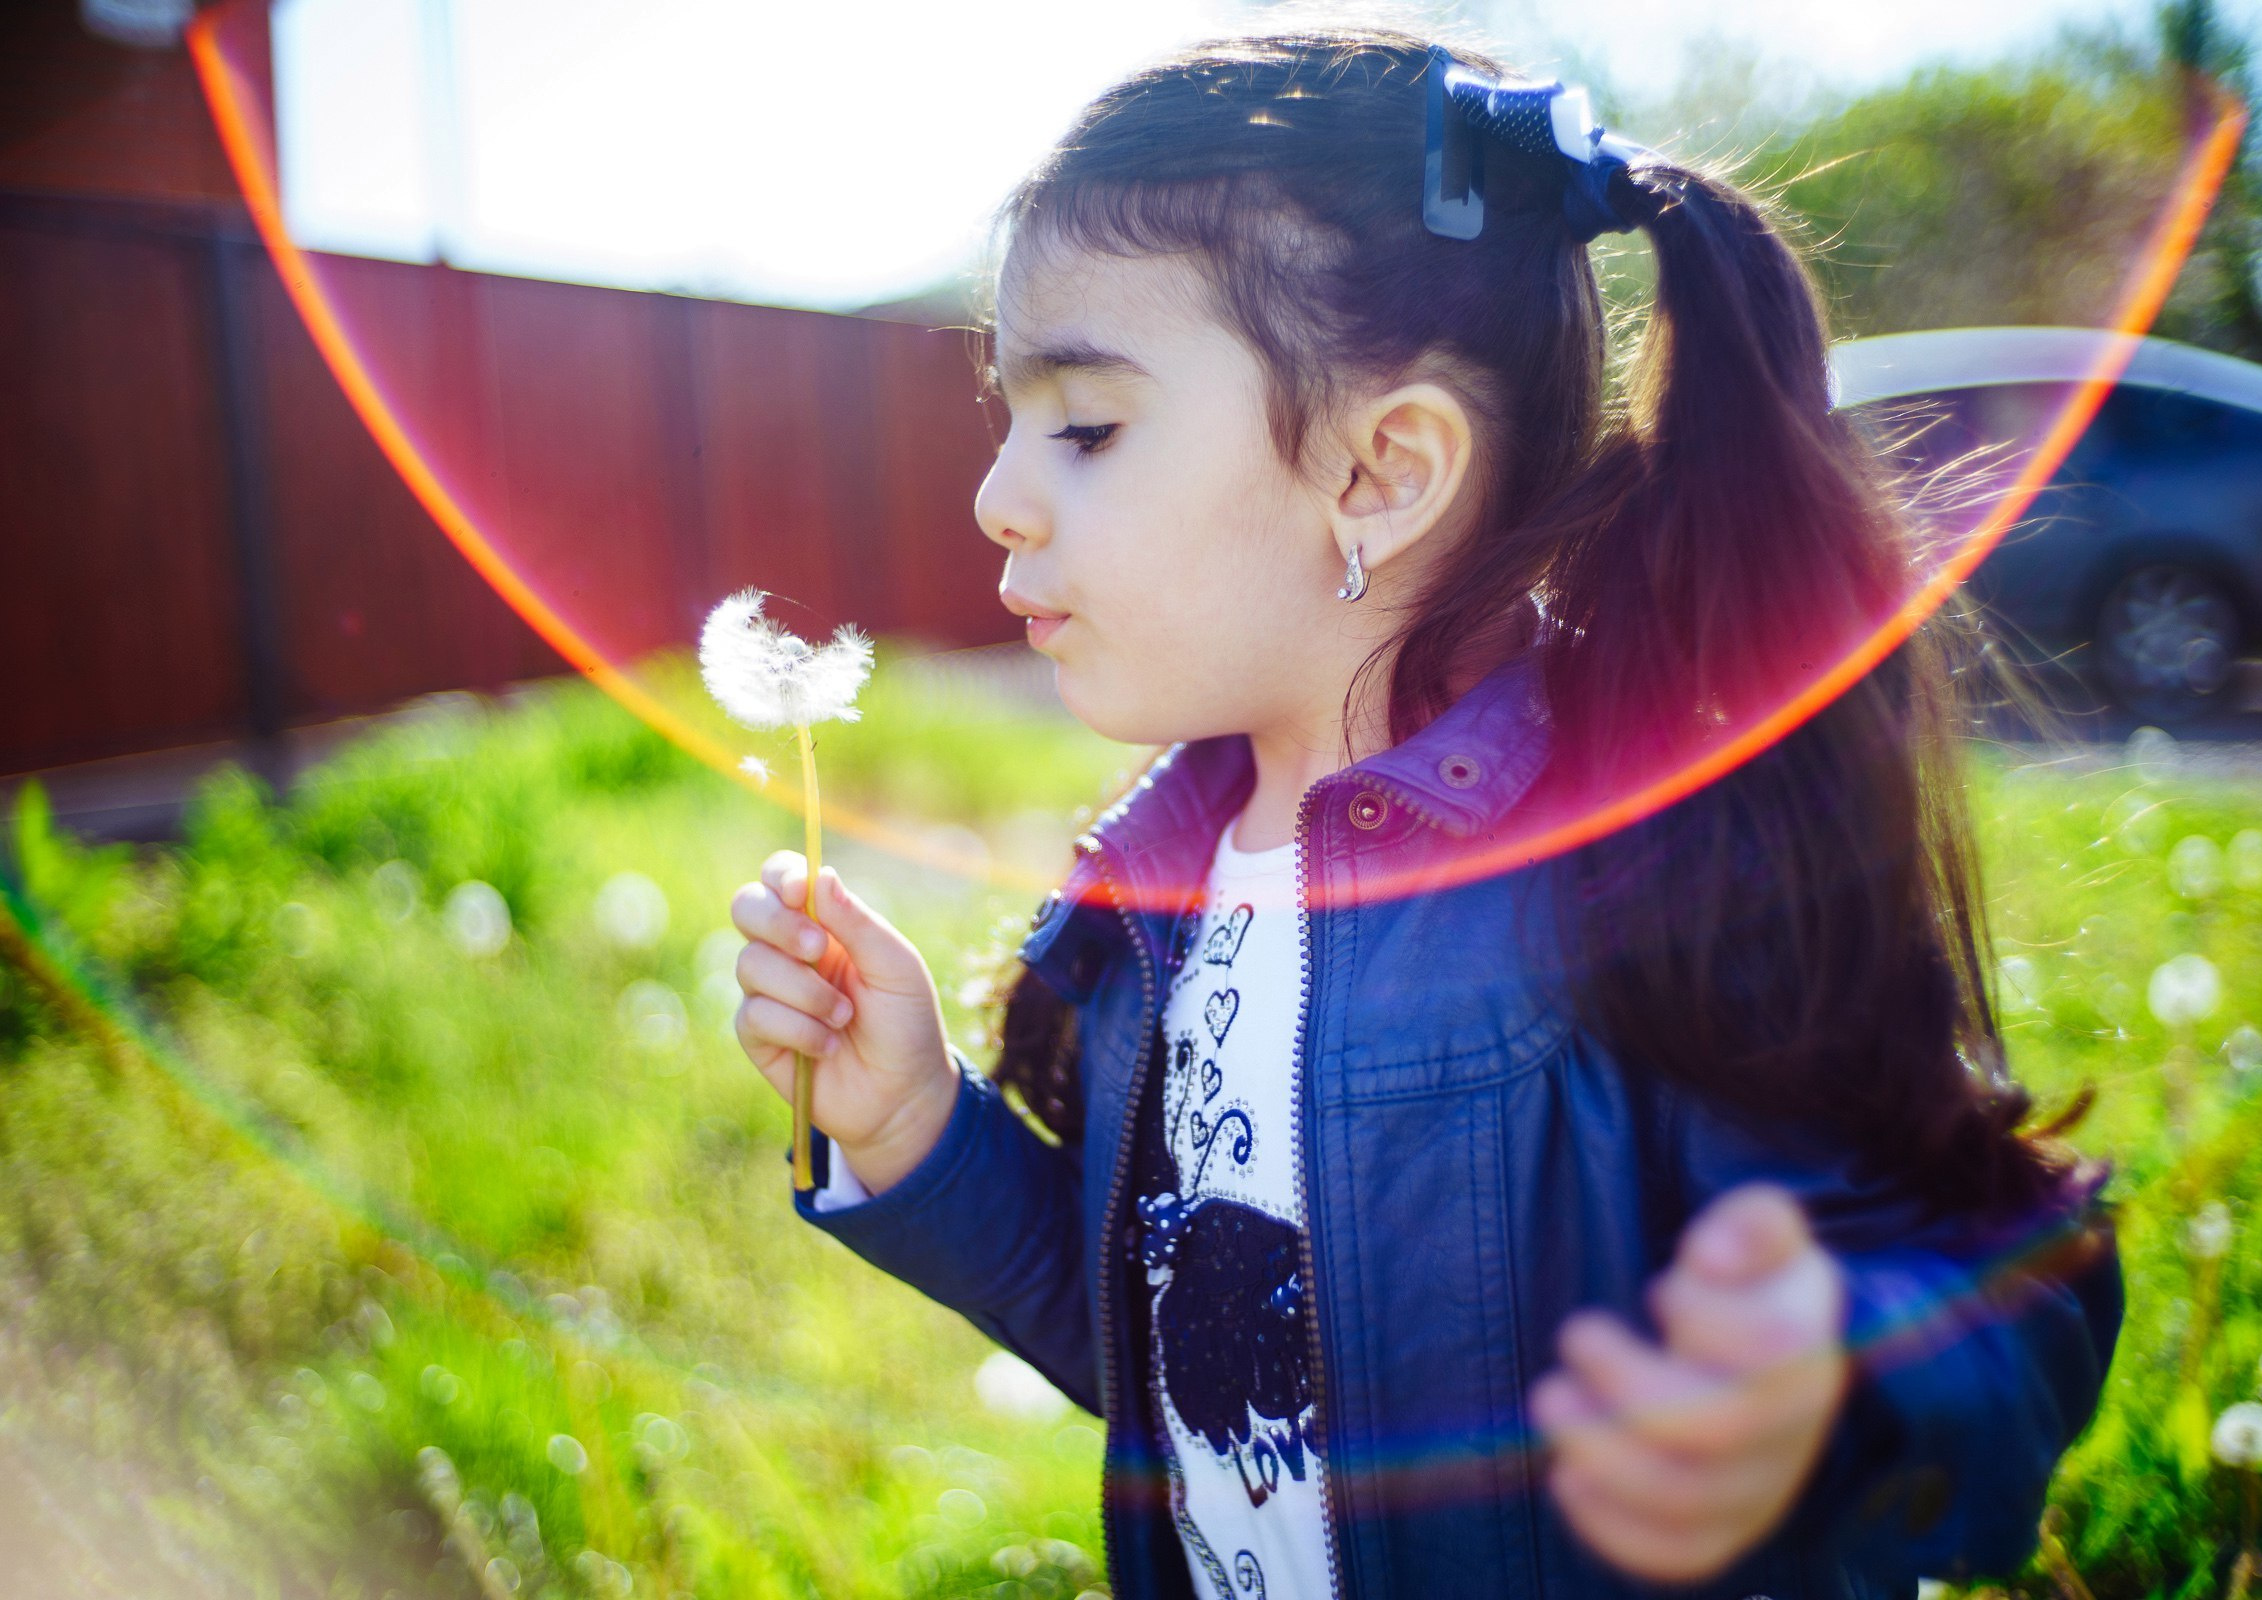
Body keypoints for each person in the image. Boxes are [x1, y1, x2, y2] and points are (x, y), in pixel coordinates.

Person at [725, 25, 2122, 1600]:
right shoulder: (1158, 897)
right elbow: (1197, 1384)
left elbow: (2020, 1295)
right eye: (1009, 413)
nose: (998, 491)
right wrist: (919, 1134)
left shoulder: (1644, 864)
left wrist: (1833, 1389)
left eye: (1086, 425)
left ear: (1382, 472)